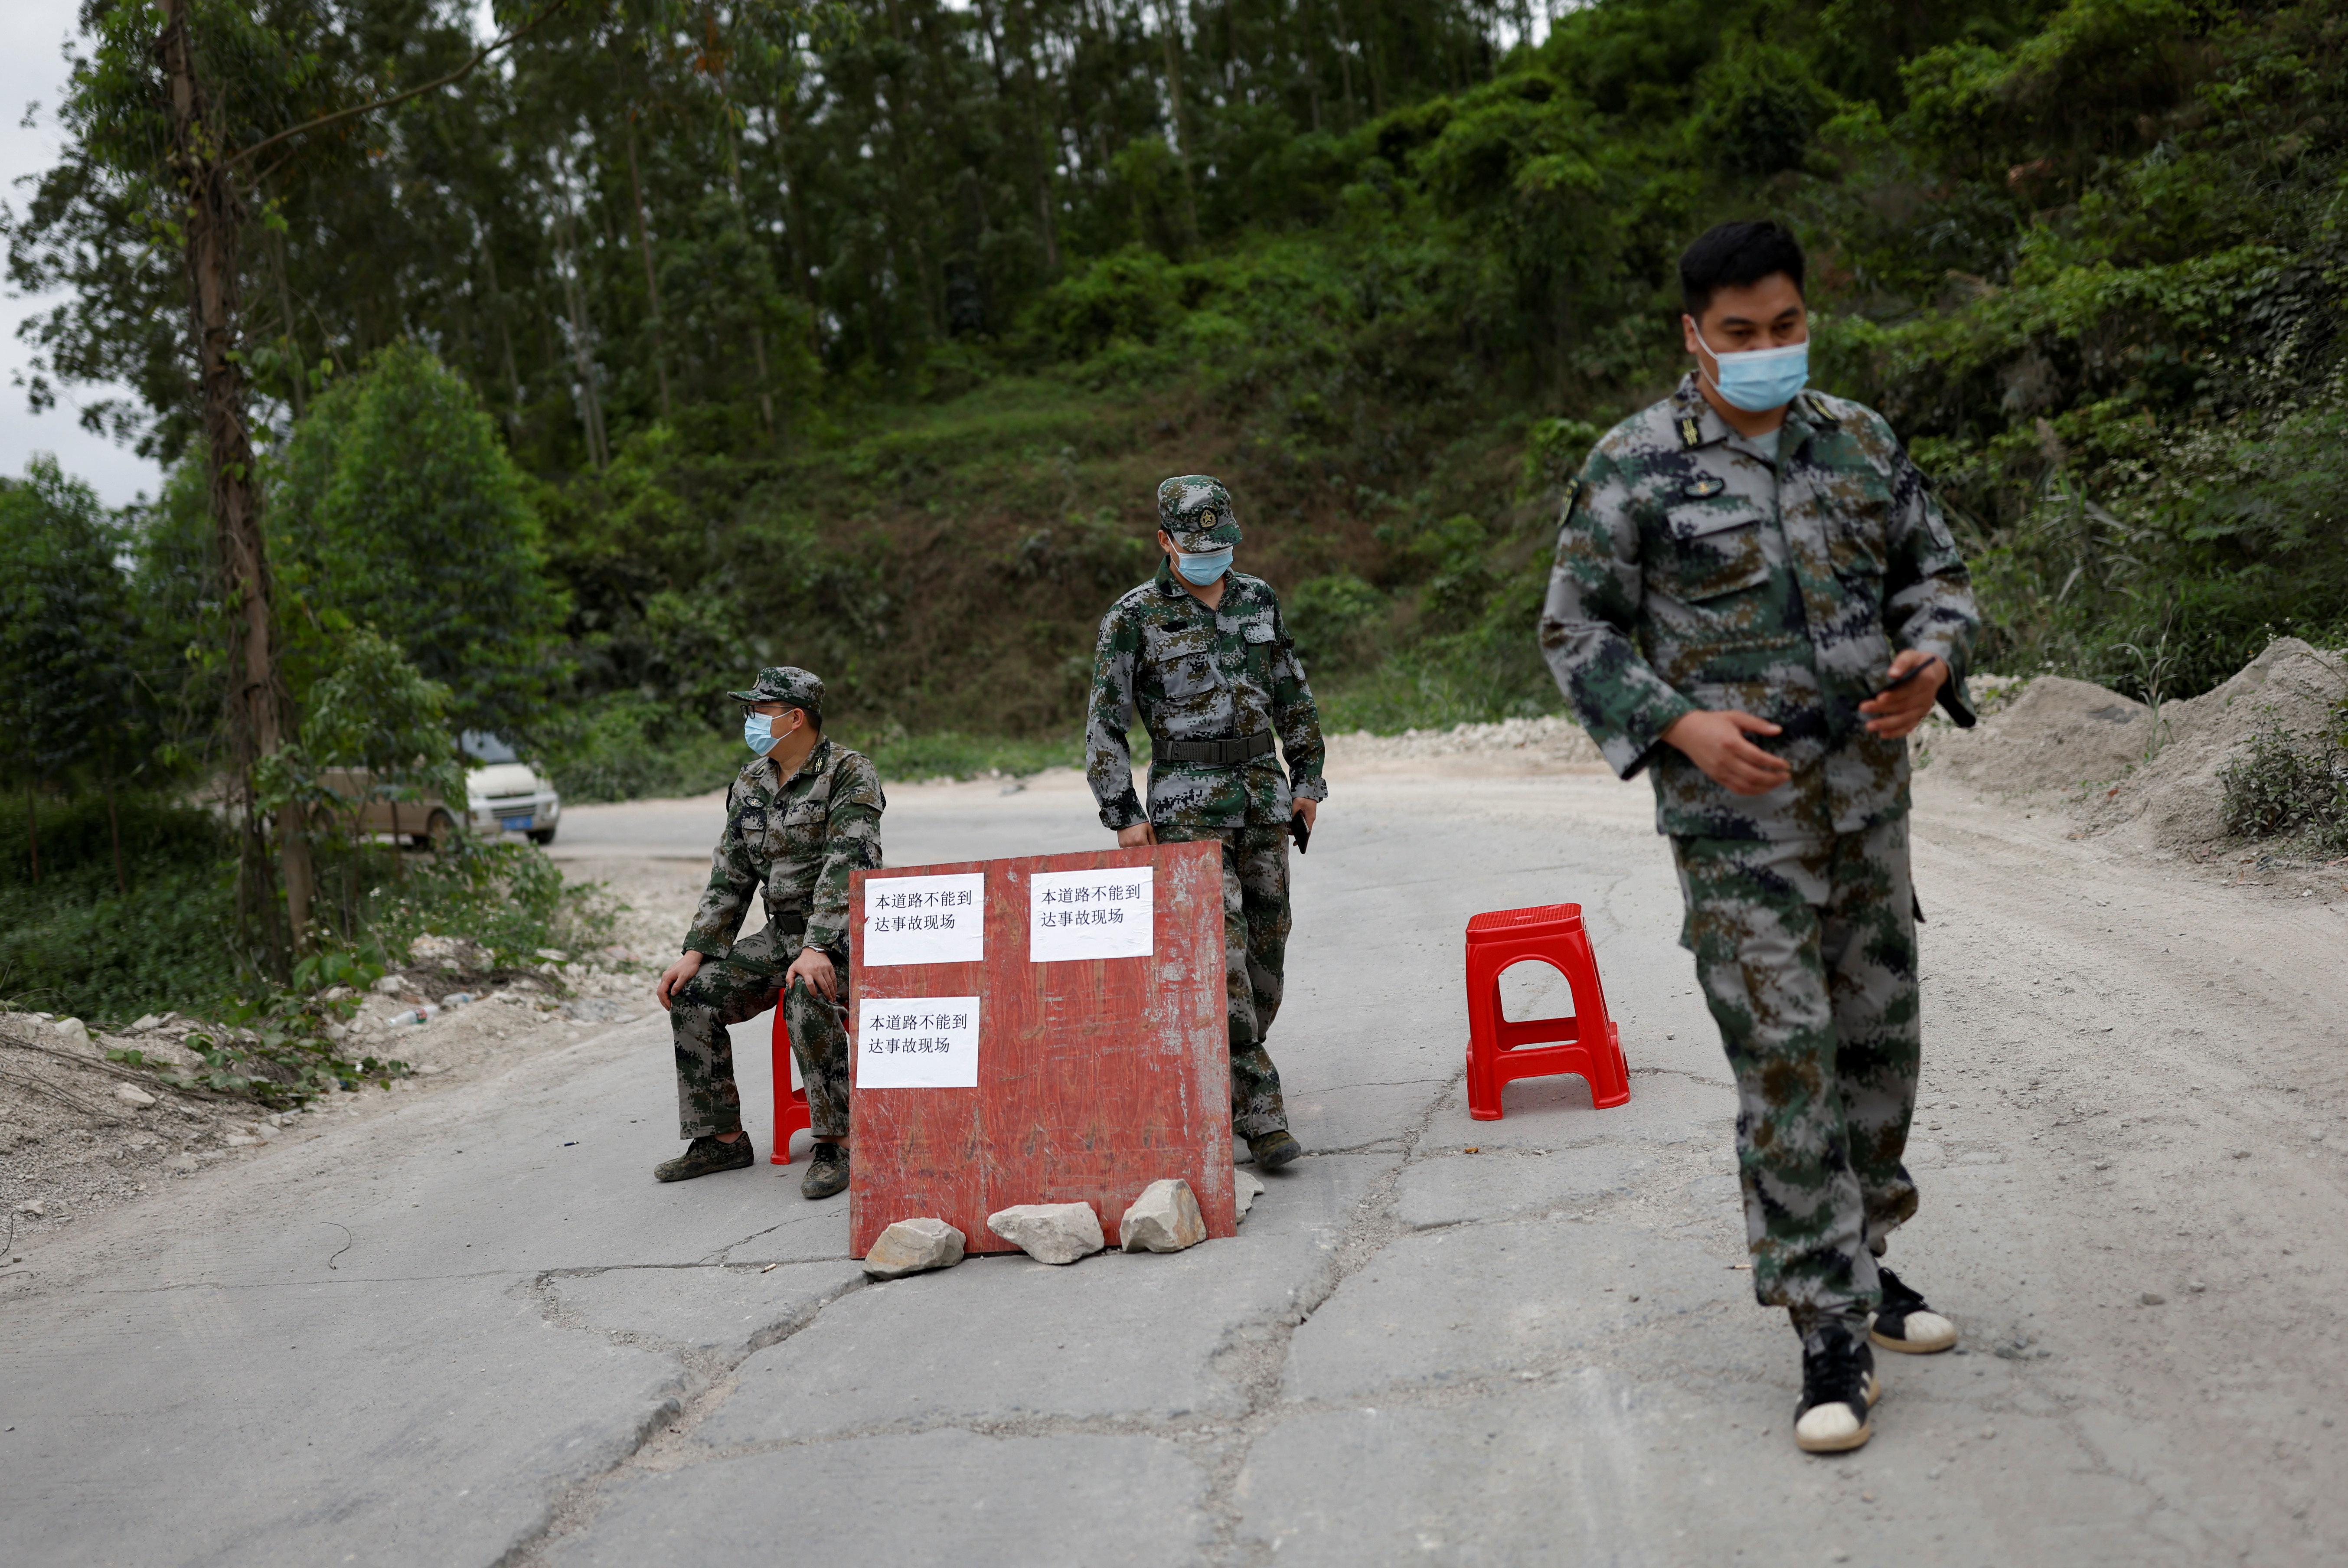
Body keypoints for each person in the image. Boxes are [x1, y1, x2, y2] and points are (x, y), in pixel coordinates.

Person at [1537, 220, 1977, 1454]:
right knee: (1784, 1063)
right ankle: (1825, 1327)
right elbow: (1576, 632)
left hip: (1865, 805)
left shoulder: (1857, 441)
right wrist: (1676, 723)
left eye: (1784, 326)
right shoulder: (1628, 465)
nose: (1766, 350)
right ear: (1693, 335)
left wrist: (1930, 657)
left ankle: (1861, 1255)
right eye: (1738, 334)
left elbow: (1933, 576)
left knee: (1875, 1048)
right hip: (1736, 825)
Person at [1086, 475, 1326, 1172]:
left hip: (1261, 796)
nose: (1211, 556)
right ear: (1163, 541)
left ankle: (1224, 1071)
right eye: (1196, 544)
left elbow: (1292, 691)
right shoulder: (1131, 618)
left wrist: (1306, 778)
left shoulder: (1257, 599)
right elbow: (1104, 723)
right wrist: (1122, 814)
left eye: (1221, 543)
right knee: (1217, 960)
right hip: (1185, 807)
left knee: (1266, 954)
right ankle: (1260, 1109)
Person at [650, 666, 885, 1199]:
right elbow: (731, 873)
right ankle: (722, 1139)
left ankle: (836, 1142)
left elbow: (848, 868)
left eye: (760, 710)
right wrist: (696, 951)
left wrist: (818, 946)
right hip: (778, 936)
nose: (751, 719)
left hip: (843, 937)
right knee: (694, 995)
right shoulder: (752, 781)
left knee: (809, 991)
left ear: (795, 717)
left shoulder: (850, 774)